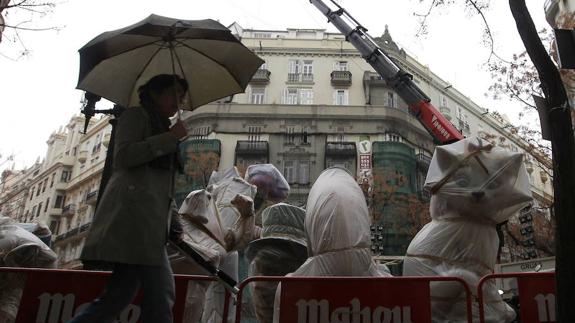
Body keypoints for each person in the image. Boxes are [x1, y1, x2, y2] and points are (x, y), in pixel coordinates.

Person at [68, 74, 189, 323]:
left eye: (182, 96)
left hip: (149, 226)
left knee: (117, 298)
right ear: (155, 92)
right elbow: (123, 157)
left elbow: (163, 184)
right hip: (134, 222)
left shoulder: (162, 127)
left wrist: (173, 222)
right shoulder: (136, 116)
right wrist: (170, 138)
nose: (179, 100)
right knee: (161, 296)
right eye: (174, 92)